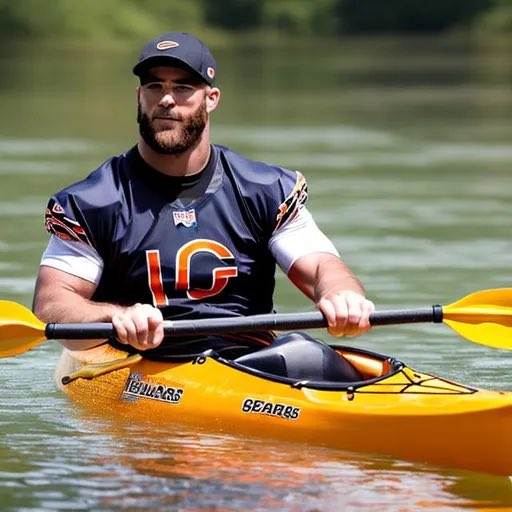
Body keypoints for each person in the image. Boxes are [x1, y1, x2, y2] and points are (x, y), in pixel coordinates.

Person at [32, 32, 375, 360]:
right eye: (155, 86)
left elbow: (320, 266)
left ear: (211, 99)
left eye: (182, 87)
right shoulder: (93, 202)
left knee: (308, 351)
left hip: (252, 360)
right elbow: (53, 304)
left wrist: (340, 294)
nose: (166, 99)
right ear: (139, 97)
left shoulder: (263, 190)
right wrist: (115, 317)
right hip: (140, 359)